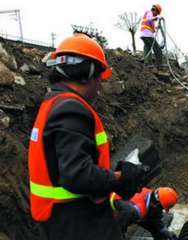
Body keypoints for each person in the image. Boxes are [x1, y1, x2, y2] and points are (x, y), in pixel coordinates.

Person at [28, 33, 149, 240]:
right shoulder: (71, 109)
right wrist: (122, 177)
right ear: (88, 71)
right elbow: (76, 175)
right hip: (78, 222)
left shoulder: (52, 103)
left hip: (62, 219)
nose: (100, 85)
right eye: (99, 78)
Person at [110, 187, 178, 240]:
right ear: (156, 205)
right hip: (107, 207)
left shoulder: (155, 197)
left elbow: (157, 216)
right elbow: (117, 231)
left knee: (158, 232)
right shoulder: (132, 210)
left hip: (130, 210)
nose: (161, 210)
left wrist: (164, 231)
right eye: (162, 208)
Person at [141, 4, 166, 69]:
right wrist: (157, 17)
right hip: (148, 35)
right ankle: (159, 64)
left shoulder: (149, 15)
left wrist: (157, 27)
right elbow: (149, 19)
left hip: (143, 34)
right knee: (157, 48)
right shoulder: (149, 13)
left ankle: (147, 63)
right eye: (157, 13)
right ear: (156, 11)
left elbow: (151, 26)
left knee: (147, 47)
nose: (156, 14)